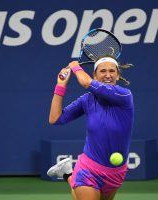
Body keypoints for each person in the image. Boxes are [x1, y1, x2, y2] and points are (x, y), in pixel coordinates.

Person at [47, 57, 134, 200]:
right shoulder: (87, 100)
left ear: (118, 75)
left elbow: (86, 82)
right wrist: (60, 85)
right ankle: (73, 175)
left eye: (112, 71)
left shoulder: (124, 95)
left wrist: (75, 66)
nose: (108, 75)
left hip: (116, 172)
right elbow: (55, 119)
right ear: (95, 75)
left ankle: (68, 173)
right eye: (103, 71)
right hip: (89, 168)